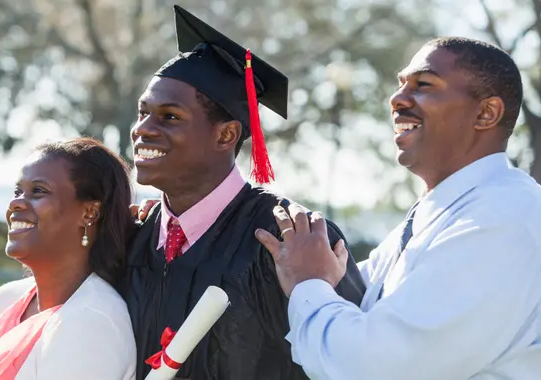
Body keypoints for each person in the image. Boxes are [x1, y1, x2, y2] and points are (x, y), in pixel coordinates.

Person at [255, 37, 541, 379]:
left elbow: (372, 367)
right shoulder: (433, 217)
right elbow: (357, 305)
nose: (397, 99)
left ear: (486, 113)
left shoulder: (502, 222)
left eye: (424, 84)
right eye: (401, 83)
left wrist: (309, 284)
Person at [121, 6, 365, 380]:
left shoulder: (293, 239)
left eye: (169, 116)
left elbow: (353, 363)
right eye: (142, 113)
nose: (143, 130)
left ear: (226, 135)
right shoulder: (133, 236)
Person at [0, 138, 137, 379]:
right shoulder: (2, 301)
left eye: (38, 191)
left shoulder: (93, 323)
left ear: (89, 212)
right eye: (18, 191)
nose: (15, 203)